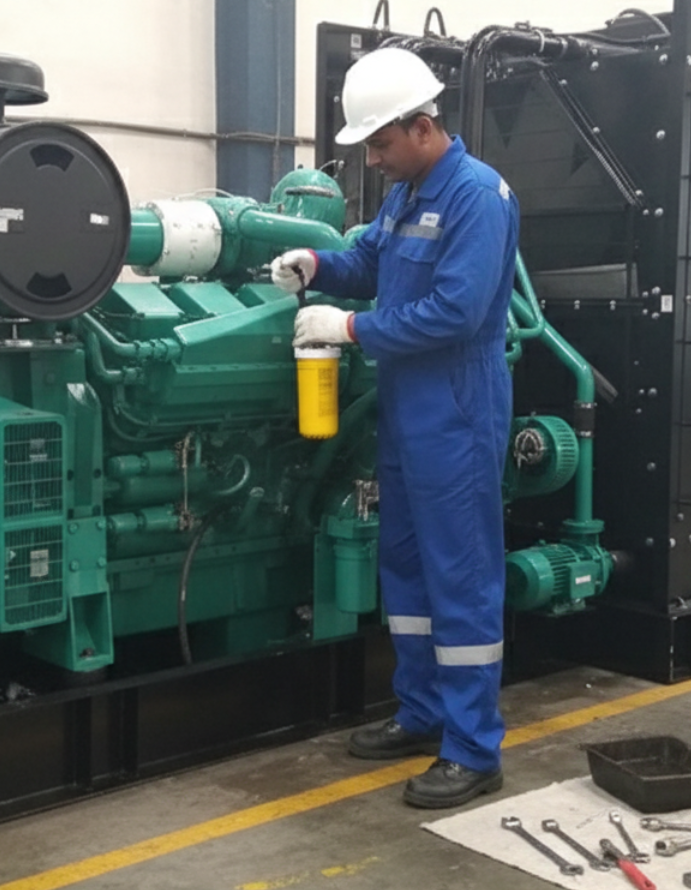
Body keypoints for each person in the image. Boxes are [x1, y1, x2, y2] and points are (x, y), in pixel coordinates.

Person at [270, 46, 520, 809]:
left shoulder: (477, 196)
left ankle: (473, 749)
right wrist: (316, 264)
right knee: (405, 567)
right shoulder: (409, 194)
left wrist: (348, 328)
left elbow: (456, 313)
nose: (372, 160)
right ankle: (422, 713)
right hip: (408, 410)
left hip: (458, 411)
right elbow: (371, 261)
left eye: (380, 143)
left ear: (421, 126)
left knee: (460, 575)